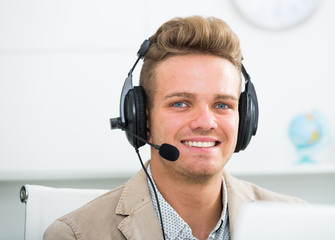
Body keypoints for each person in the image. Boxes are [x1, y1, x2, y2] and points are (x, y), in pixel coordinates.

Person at [44, 16, 306, 240]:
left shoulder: (298, 223)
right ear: (141, 120)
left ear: (246, 118)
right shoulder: (76, 235)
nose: (205, 122)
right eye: (180, 103)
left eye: (222, 105)